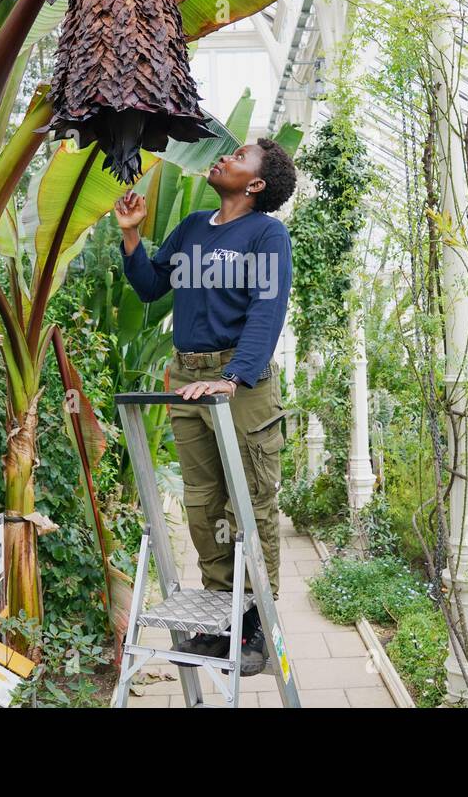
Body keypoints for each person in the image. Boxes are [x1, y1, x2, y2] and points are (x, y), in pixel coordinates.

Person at [112, 138, 297, 677]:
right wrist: (131, 235)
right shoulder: (193, 225)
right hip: (188, 379)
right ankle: (222, 618)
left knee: (251, 502)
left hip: (240, 384)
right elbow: (150, 286)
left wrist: (232, 378)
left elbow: (268, 310)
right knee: (203, 502)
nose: (224, 158)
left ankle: (255, 622)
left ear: (256, 184)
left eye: (238, 157)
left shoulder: (267, 234)